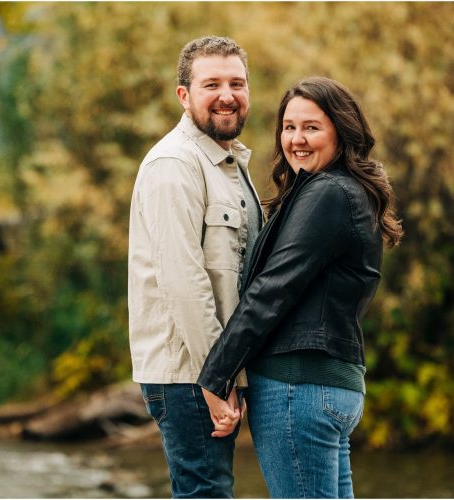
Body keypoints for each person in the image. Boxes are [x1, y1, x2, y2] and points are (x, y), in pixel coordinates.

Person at [198, 76, 403, 498]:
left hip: (298, 390)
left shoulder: (328, 192)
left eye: (311, 127)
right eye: (289, 128)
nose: (297, 139)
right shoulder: (347, 191)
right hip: (330, 389)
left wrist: (215, 376)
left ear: (341, 132)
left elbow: (273, 290)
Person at [128, 36, 262, 498]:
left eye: (237, 83)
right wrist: (216, 377)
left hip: (213, 368)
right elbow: (183, 282)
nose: (228, 94)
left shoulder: (230, 163)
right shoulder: (174, 164)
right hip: (190, 373)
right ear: (184, 96)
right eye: (212, 84)